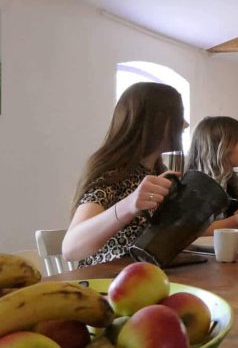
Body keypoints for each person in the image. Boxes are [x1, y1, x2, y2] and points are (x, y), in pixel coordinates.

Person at [63, 82, 186, 267]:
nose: (185, 124)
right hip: (107, 284)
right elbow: (70, 248)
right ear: (153, 121)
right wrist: (129, 204)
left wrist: (235, 219)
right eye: (178, 116)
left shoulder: (157, 172)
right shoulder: (114, 174)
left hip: (146, 278)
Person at [186, 116, 238, 234]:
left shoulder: (230, 180)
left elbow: (228, 219)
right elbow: (193, 231)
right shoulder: (193, 186)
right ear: (220, 147)